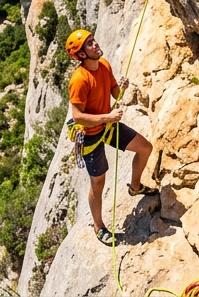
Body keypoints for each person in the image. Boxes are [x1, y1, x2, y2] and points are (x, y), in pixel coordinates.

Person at [65, 28, 157, 247]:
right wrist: (108, 116)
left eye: (93, 40)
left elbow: (115, 93)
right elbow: (77, 117)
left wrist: (121, 89)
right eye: (89, 44)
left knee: (145, 148)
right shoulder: (79, 80)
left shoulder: (104, 65)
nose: (95, 44)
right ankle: (99, 227)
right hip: (89, 135)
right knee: (98, 183)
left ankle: (135, 187)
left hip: (107, 125)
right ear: (80, 54)